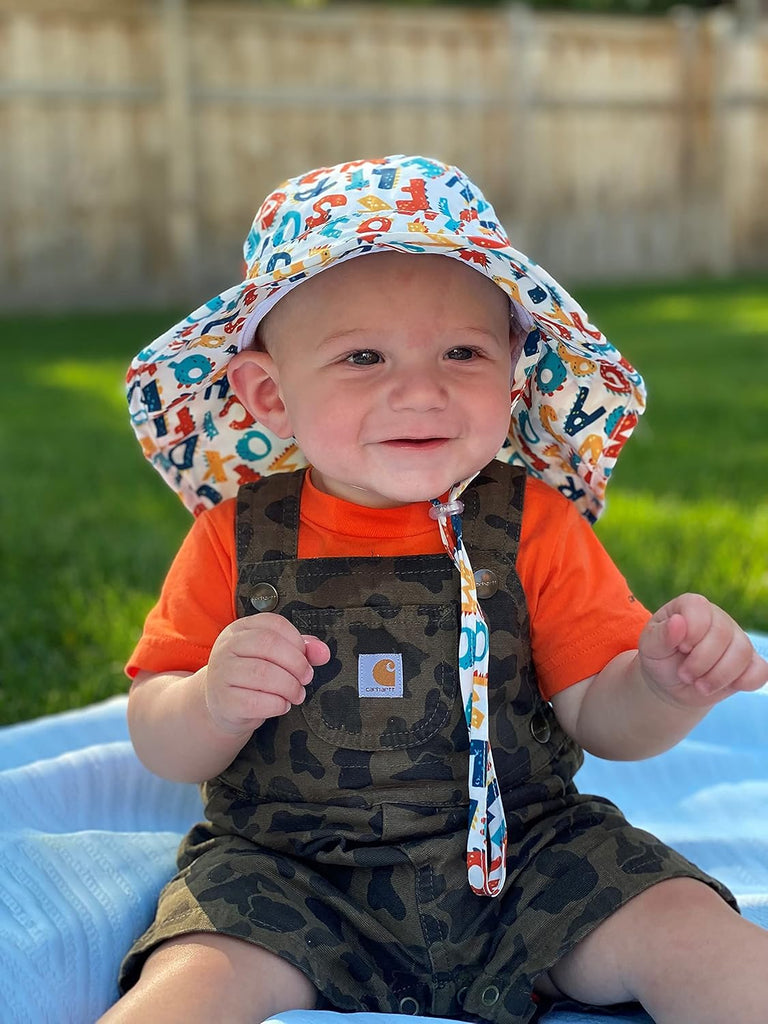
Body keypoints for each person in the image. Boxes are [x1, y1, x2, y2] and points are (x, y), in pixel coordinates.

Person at [104, 155, 768, 1024]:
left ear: (513, 373)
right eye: (362, 356)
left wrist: (661, 687)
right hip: (294, 878)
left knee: (689, 926)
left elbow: (601, 719)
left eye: (462, 351)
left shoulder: (531, 525)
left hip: (528, 864)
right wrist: (211, 703)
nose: (419, 390)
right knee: (194, 977)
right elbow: (162, 743)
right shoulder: (236, 539)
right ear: (269, 392)